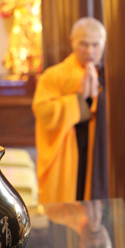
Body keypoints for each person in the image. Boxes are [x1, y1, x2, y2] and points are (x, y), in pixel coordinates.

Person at [33, 17, 108, 204]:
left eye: (95, 45)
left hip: (99, 152)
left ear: (104, 44)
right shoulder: (53, 76)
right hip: (67, 157)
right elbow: (43, 111)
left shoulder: (111, 76)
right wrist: (78, 99)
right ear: (71, 41)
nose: (89, 51)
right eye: (83, 44)